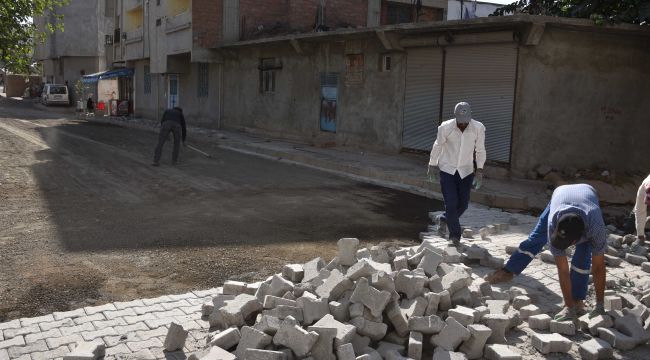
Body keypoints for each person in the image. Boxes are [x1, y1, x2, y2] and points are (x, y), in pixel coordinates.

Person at [485, 184, 608, 321]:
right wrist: (567, 307)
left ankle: (577, 299)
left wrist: (600, 304)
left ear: (575, 240)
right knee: (536, 238)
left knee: (583, 258)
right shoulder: (553, 221)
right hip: (560, 195)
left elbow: (598, 267)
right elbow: (563, 270)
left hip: (588, 198)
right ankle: (509, 270)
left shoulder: (596, 229)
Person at [428, 102, 486, 246]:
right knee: (451, 202)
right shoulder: (445, 127)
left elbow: (480, 150)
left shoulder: (478, 128)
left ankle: (444, 219)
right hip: (447, 169)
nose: (463, 125)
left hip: (466, 171)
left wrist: (479, 170)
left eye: (465, 122)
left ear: (470, 117)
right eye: (460, 122)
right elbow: (438, 145)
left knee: (463, 204)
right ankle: (454, 236)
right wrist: (432, 164)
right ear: (455, 116)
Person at [633, 174, 650, 245]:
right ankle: (640, 236)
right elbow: (639, 211)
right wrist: (640, 235)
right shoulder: (644, 188)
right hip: (645, 188)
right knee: (639, 210)